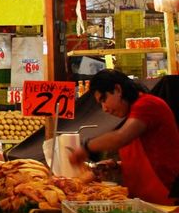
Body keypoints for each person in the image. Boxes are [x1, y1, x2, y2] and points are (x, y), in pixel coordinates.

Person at [70, 69, 179, 202]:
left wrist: (86, 147)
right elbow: (149, 156)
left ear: (117, 89)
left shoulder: (147, 105)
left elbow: (121, 137)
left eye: (104, 99)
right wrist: (116, 166)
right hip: (146, 203)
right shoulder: (133, 113)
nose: (104, 108)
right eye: (100, 104)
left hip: (167, 200)